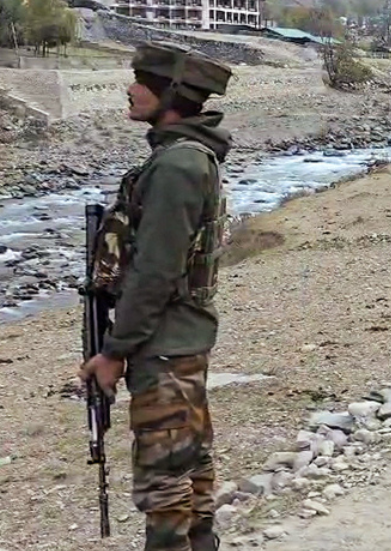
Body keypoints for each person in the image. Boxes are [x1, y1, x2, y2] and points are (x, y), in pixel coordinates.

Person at [78, 41, 234, 551]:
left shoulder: (176, 166)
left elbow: (155, 272)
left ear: (170, 95)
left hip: (164, 345)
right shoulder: (184, 157)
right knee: (189, 464)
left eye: (142, 82)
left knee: (165, 479)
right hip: (177, 339)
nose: (130, 89)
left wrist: (114, 351)